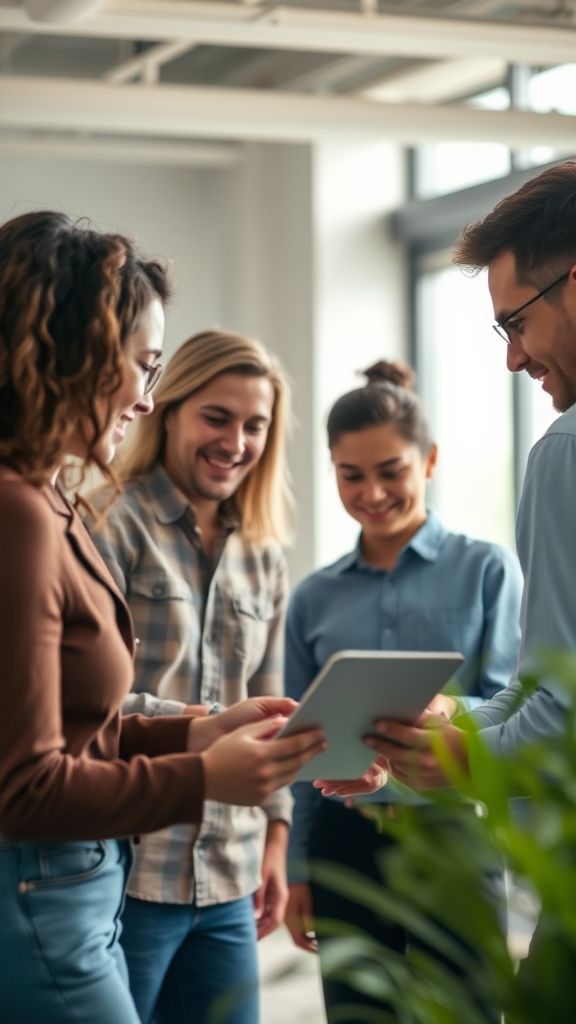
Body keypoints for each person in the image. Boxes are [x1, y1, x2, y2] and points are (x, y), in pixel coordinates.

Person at [0, 211, 327, 1024]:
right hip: (53, 889)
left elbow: (84, 722)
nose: (144, 400)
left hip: (93, 883)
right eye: (143, 368)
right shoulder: (24, 513)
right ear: (77, 353)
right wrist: (203, 773)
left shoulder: (51, 498)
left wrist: (194, 733)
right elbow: (24, 785)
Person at [86, 329, 383, 1024]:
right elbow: (87, 709)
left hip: (230, 877)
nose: (236, 441)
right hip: (133, 871)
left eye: (255, 425)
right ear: (167, 410)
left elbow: (271, 704)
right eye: (216, 418)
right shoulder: (111, 523)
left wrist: (277, 844)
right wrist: (199, 730)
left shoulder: (264, 555)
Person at [283, 359, 523, 1022]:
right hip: (343, 839)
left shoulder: (486, 570)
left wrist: (453, 709)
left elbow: (520, 699)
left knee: (469, 1010)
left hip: (452, 832)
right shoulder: (313, 598)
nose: (373, 492)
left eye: (391, 470)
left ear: (430, 460)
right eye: (351, 475)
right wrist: (299, 868)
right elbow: (300, 750)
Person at [369, 159, 576, 786]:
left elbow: (559, 712)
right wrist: (448, 732)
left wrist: (458, 761)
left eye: (517, 324)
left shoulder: (565, 450)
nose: (514, 358)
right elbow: (545, 689)